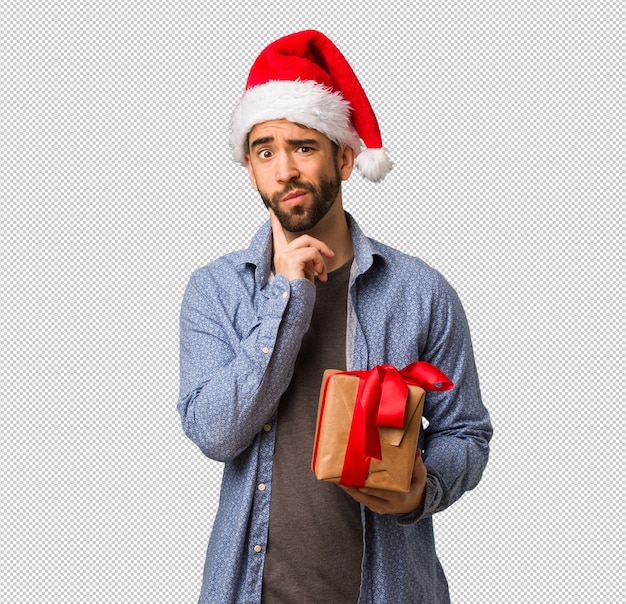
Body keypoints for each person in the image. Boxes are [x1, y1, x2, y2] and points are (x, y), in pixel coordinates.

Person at [178, 30, 492, 603]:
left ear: (344, 159)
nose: (284, 170)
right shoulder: (216, 290)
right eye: (265, 150)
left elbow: (465, 431)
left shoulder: (419, 291)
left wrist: (425, 489)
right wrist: (286, 298)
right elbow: (214, 432)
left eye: (303, 146)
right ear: (249, 168)